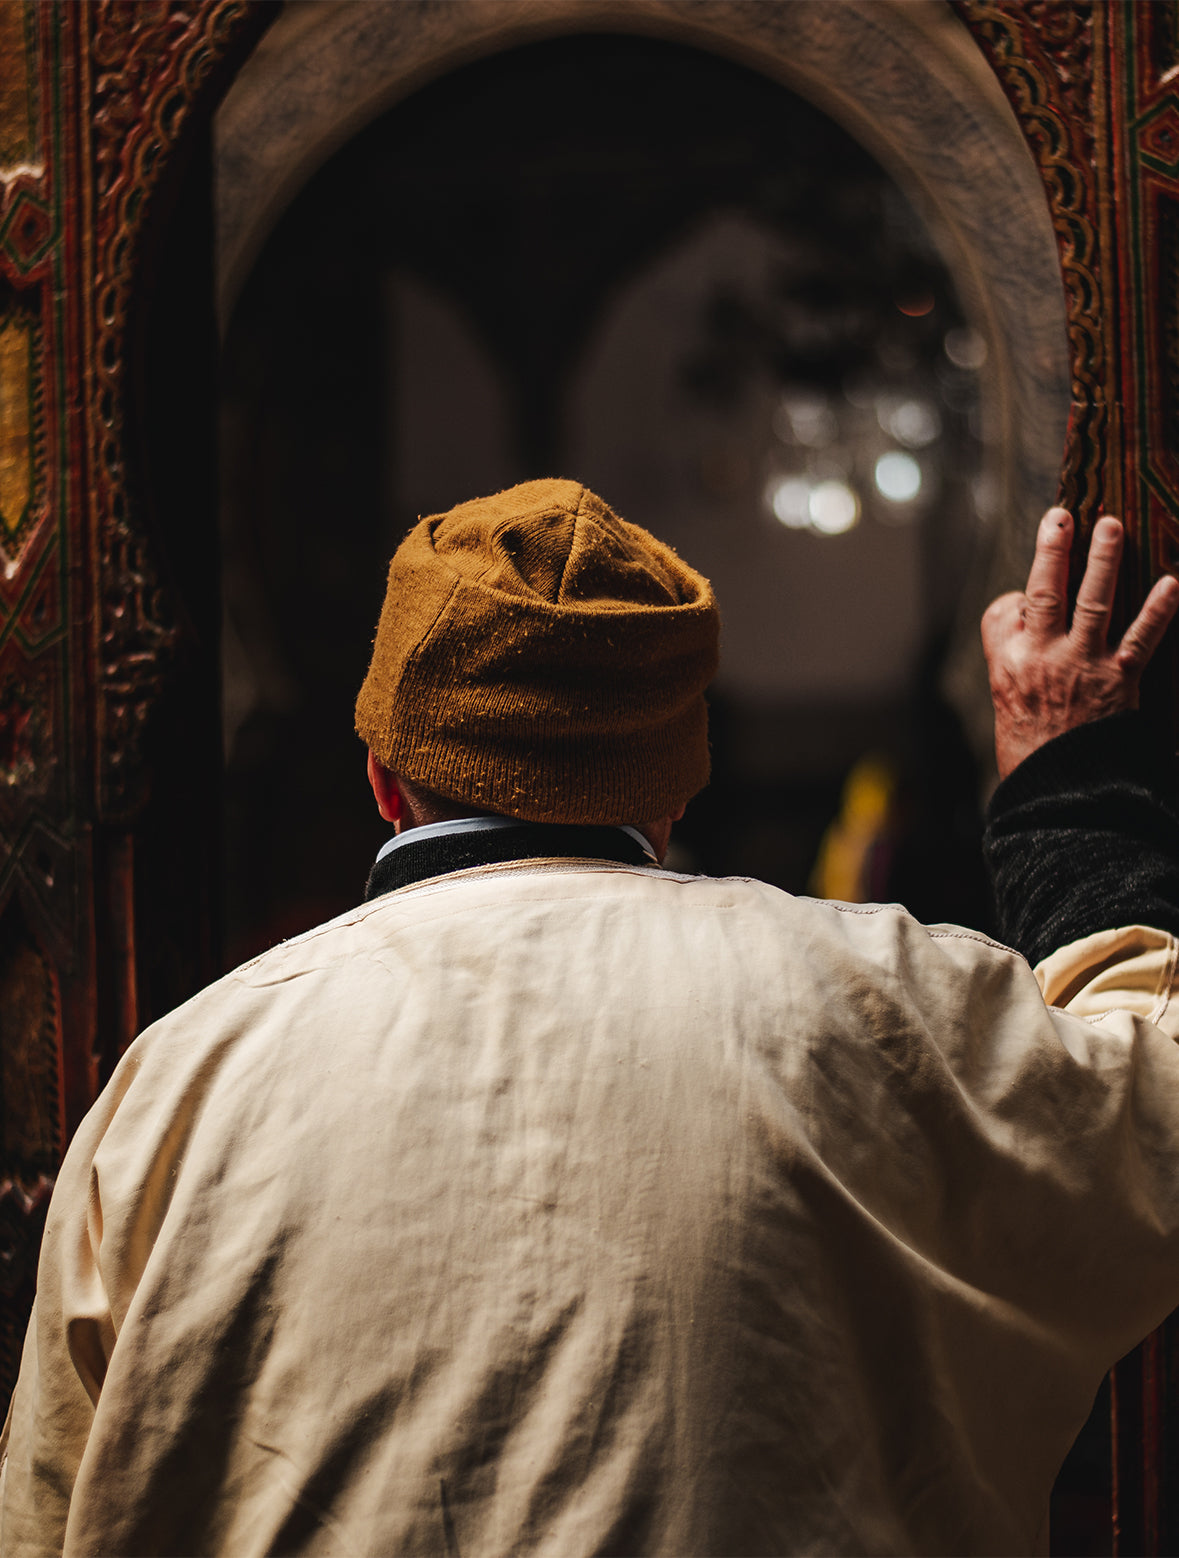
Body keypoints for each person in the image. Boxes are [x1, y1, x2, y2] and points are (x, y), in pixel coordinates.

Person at [3, 477, 1179, 1558]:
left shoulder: (176, 1086)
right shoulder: (881, 1004)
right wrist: (1064, 785)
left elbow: (47, 1513)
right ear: (676, 787)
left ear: (381, 773)